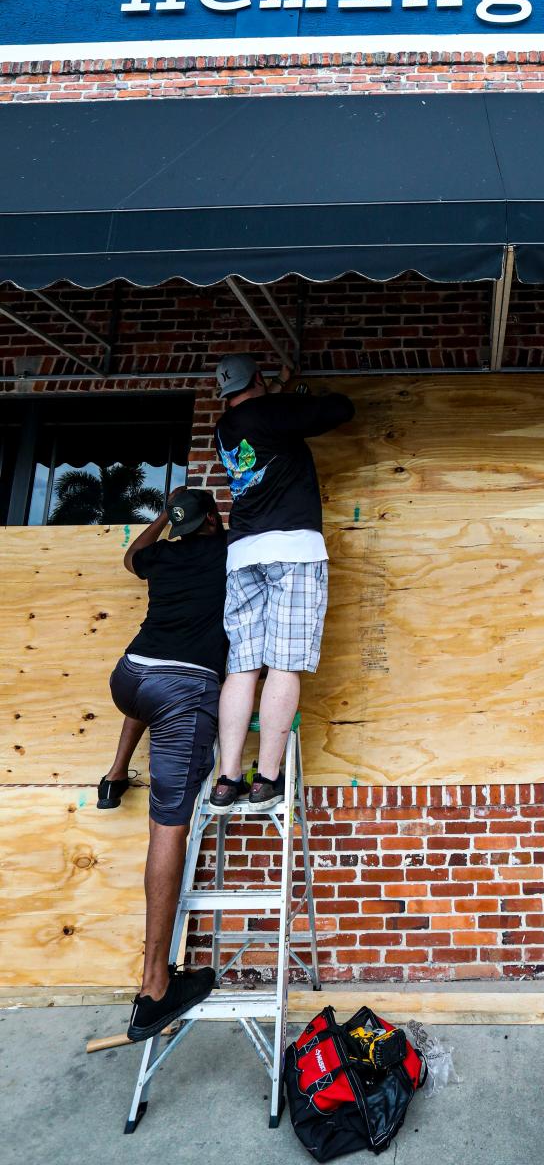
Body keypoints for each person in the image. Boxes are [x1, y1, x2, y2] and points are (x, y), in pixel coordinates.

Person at [104, 486, 229, 1042]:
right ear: (213, 520)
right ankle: (155, 988)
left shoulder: (164, 552)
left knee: (146, 697)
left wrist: (162, 520)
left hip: (129, 677)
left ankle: (115, 773)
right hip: (184, 685)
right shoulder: (224, 549)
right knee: (168, 829)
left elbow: (131, 557)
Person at [210, 354, 354, 814]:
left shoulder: (223, 429)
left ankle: (227, 778)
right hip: (292, 548)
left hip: (242, 553)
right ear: (257, 379)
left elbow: (262, 419)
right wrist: (292, 392)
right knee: (285, 664)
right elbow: (340, 409)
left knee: (242, 668)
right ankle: (266, 779)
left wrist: (277, 390)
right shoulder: (274, 411)